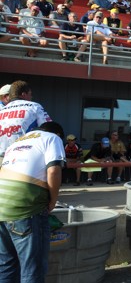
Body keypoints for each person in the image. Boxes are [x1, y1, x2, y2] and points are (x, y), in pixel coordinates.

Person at [0, 121, 66, 283]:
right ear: (58, 134)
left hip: (2, 207)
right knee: (32, 268)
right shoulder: (52, 138)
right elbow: (54, 171)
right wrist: (53, 201)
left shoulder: (17, 142)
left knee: (7, 266)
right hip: (26, 208)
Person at [0, 80, 52, 162]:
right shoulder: (35, 106)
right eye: (30, 94)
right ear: (24, 94)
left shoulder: (2, 110)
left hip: (2, 158)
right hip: (23, 158)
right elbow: (49, 128)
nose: (31, 97)